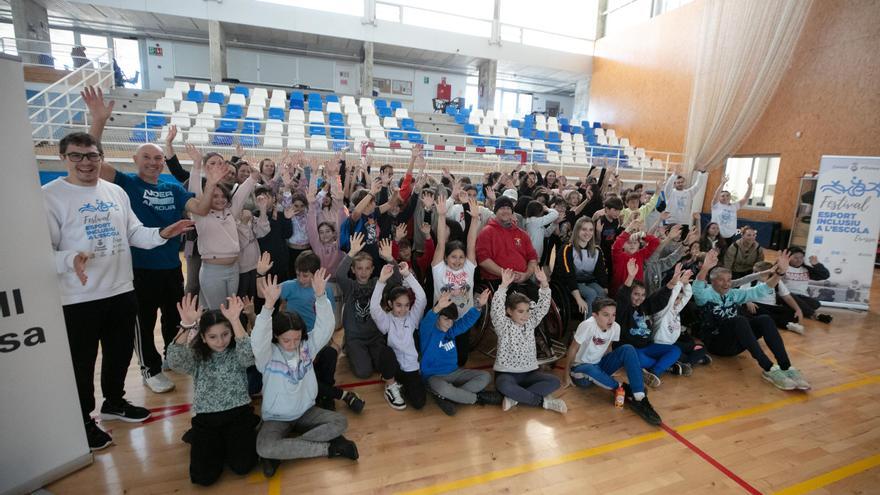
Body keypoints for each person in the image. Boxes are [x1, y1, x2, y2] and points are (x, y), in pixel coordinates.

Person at [44, 131, 193, 450]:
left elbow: (134, 233)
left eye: (92, 156)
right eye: (77, 156)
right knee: (81, 361)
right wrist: (70, 258)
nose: (86, 163)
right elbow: (42, 250)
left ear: (101, 157)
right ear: (63, 158)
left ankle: (114, 402)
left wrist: (163, 233)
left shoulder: (114, 192)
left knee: (119, 352)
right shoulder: (49, 196)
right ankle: (82, 420)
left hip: (121, 290)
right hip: (78, 298)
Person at [82, 86, 220, 394]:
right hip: (139, 270)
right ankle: (150, 368)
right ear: (135, 159)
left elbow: (201, 208)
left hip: (171, 267)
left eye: (158, 158)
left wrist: (211, 183)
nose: (154, 162)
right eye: (147, 157)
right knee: (143, 324)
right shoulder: (126, 183)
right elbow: (92, 160)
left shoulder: (172, 189)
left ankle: (173, 356)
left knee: (174, 318)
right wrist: (99, 122)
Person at [253, 272, 359, 478]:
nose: (293, 345)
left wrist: (320, 296)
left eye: (297, 339)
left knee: (340, 422)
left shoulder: (307, 347)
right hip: (276, 418)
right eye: (287, 340)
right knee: (264, 446)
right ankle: (328, 448)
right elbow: (258, 339)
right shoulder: (266, 355)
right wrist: (267, 308)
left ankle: (284, 452)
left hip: (306, 412)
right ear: (276, 336)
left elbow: (326, 328)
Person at [166, 295, 258, 486]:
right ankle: (207, 440)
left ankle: (225, 442)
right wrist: (186, 325)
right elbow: (174, 361)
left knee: (243, 467)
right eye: (212, 337)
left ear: (231, 333)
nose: (220, 342)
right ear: (203, 337)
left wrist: (235, 321)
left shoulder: (237, 351)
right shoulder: (197, 356)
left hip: (238, 414)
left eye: (225, 334)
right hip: (207, 419)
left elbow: (249, 357)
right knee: (202, 478)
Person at [692, 250, 810, 391]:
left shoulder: (734, 294)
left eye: (729, 280)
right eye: (721, 280)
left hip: (736, 342)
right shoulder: (705, 295)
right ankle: (769, 368)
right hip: (717, 343)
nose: (726, 284)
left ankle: (786, 366)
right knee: (740, 320)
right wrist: (705, 268)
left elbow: (761, 289)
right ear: (712, 281)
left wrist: (779, 274)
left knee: (765, 319)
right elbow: (697, 289)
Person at [279, 251, 363, 413]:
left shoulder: (326, 291)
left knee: (331, 353)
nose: (300, 279)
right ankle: (340, 395)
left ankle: (326, 394)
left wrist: (326, 343)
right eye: (298, 275)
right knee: (302, 376)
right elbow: (265, 294)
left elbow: (327, 321)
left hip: (316, 338)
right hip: (295, 341)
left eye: (305, 276)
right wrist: (261, 273)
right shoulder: (290, 286)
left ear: (316, 274)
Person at [560, 298, 662, 426]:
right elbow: (573, 348)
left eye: (613, 315)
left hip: (599, 365)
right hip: (580, 370)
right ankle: (622, 388)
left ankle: (640, 398)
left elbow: (608, 347)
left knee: (628, 349)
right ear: (595, 315)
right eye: (605, 315)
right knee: (590, 369)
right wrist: (566, 374)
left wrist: (611, 367)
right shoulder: (586, 325)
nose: (611, 319)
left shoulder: (616, 327)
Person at [336, 233, 405, 409]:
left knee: (382, 367)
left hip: (374, 336)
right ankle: (349, 348)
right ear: (353, 270)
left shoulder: (377, 282)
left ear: (373, 269)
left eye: (367, 268)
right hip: (355, 337)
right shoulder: (350, 286)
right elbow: (339, 275)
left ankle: (364, 354)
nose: (363, 272)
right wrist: (351, 253)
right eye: (359, 268)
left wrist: (390, 258)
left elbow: (397, 279)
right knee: (364, 373)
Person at [189, 147, 258, 309]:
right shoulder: (201, 214)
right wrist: (197, 164)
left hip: (233, 269)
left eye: (223, 196)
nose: (220, 200)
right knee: (216, 315)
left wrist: (253, 175)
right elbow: (194, 192)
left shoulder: (230, 212)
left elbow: (243, 191)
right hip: (213, 272)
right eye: (214, 196)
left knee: (231, 312)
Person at [491, 268, 567, 413]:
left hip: (528, 374)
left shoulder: (530, 323)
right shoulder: (503, 325)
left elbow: (543, 307)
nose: (525, 315)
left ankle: (515, 397)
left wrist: (544, 283)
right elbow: (495, 309)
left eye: (527, 311)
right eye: (520, 311)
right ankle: (542, 402)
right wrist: (503, 287)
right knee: (504, 386)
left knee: (555, 382)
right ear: (509, 311)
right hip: (507, 375)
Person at [419, 290, 502, 415]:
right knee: (443, 388)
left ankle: (450, 397)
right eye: (446, 319)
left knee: (485, 376)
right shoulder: (427, 332)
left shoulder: (451, 330)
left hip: (455, 372)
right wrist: (437, 308)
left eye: (452, 320)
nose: (450, 323)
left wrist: (478, 306)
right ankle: (477, 398)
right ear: (438, 317)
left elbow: (465, 322)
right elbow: (428, 320)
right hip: (433, 377)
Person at [370, 262, 428, 410]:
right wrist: (381, 281)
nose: (403, 309)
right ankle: (390, 384)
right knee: (385, 352)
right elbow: (374, 308)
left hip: (410, 368)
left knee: (419, 403)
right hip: (394, 367)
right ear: (390, 303)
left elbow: (421, 298)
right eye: (398, 305)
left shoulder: (413, 318)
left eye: (407, 305)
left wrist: (408, 276)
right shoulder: (386, 321)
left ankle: (402, 385)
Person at [615, 259, 678, 387]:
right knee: (639, 359)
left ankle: (654, 371)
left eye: (643, 295)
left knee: (675, 350)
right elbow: (622, 298)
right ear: (629, 294)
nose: (640, 298)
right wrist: (630, 277)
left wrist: (672, 283)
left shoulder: (644, 306)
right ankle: (665, 365)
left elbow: (658, 299)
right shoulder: (621, 309)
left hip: (647, 347)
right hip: (630, 350)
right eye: (636, 294)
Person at [432, 196, 480, 365]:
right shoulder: (439, 269)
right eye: (453, 257)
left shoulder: (468, 267)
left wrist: (474, 219)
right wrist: (441, 216)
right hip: (443, 319)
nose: (458, 261)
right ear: (446, 257)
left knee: (461, 359)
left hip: (463, 321)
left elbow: (471, 244)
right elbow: (440, 244)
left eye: (461, 257)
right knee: (442, 356)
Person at [475, 196, 538, 296]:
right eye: (502, 208)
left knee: (541, 299)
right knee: (519, 303)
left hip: (522, 279)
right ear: (495, 211)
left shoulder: (522, 234)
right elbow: (483, 261)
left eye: (508, 208)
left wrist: (526, 275)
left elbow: (533, 258)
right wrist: (507, 274)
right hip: (498, 280)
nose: (506, 211)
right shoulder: (486, 232)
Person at [650, 266, 706, 375]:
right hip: (661, 347)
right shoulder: (662, 310)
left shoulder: (676, 310)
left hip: (673, 344)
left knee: (701, 347)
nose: (677, 302)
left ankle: (688, 363)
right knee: (679, 353)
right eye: (676, 298)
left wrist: (685, 284)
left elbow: (687, 295)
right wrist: (679, 282)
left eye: (679, 299)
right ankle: (690, 361)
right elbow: (670, 298)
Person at [552, 216, 608, 316]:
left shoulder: (597, 250)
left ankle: (598, 322)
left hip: (588, 281)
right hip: (569, 282)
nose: (588, 233)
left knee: (601, 293)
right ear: (577, 230)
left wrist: (605, 287)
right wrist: (578, 299)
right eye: (584, 229)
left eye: (591, 229)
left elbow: (601, 272)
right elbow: (569, 274)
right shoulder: (567, 249)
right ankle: (588, 327)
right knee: (591, 293)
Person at [733, 261, 806, 334]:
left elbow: (787, 297)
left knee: (792, 313)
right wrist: (747, 302)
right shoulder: (749, 280)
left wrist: (798, 309)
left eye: (757, 272)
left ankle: (778, 322)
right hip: (756, 306)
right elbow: (740, 295)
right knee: (753, 310)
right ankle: (787, 325)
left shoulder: (776, 281)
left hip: (771, 307)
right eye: (754, 271)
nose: (754, 274)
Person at [782, 247, 833, 324]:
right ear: (788, 257)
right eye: (795, 257)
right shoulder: (783, 267)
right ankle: (816, 315)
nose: (799, 260)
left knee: (816, 304)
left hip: (802, 296)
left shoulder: (806, 269)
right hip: (786, 295)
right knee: (794, 299)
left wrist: (816, 264)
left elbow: (825, 275)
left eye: (801, 257)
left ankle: (794, 309)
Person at [609, 220, 660, 295]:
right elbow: (616, 246)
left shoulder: (641, 254)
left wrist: (643, 235)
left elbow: (655, 242)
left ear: (639, 245)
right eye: (629, 242)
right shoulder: (618, 255)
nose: (632, 245)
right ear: (623, 245)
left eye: (635, 243)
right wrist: (628, 230)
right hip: (619, 292)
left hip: (636, 292)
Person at [663, 167, 707, 233]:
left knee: (683, 242)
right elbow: (668, 186)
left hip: (684, 223)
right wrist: (674, 175)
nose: (680, 184)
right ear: (674, 184)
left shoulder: (689, 193)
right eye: (678, 182)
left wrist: (702, 173)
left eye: (682, 182)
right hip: (671, 222)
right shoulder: (670, 193)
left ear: (684, 183)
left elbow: (697, 185)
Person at [711, 175, 752, 244]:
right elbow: (716, 195)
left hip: (729, 237)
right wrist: (722, 183)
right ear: (719, 198)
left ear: (730, 197)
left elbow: (745, 198)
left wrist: (750, 186)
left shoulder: (733, 206)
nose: (725, 197)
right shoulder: (716, 205)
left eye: (727, 195)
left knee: (727, 254)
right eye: (723, 196)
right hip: (717, 236)